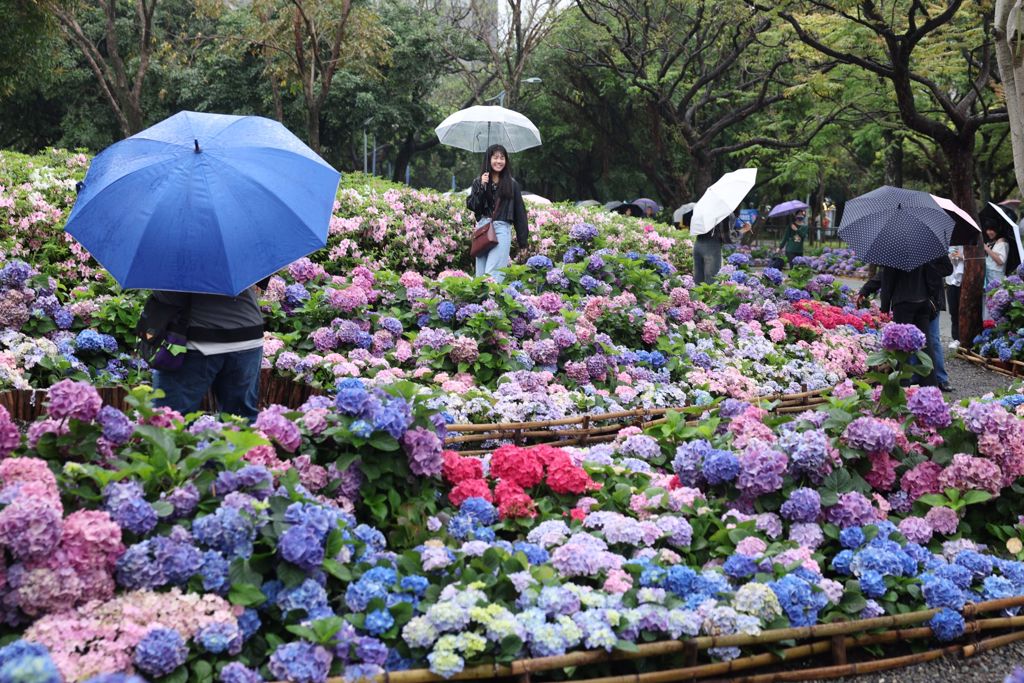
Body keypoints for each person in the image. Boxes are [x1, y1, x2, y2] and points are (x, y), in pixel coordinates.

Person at [145, 286, 266, 420]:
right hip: (248, 334)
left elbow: (167, 296)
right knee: (240, 421)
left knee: (170, 421)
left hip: (193, 339)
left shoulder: (172, 264)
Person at [466, 144, 528, 283]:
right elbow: (473, 206)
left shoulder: (512, 185)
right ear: (488, 159)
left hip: (501, 229)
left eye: (502, 158)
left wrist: (523, 242)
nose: (499, 161)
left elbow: (520, 214)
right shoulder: (479, 182)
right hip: (482, 230)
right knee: (480, 277)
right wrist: (482, 187)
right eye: (495, 157)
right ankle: (480, 304)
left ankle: (491, 304)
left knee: (492, 275)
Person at [878, 262, 938, 386]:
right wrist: (933, 296)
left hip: (903, 301)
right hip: (923, 300)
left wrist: (884, 307)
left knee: (901, 344)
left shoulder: (893, 252)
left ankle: (903, 383)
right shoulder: (924, 248)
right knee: (925, 345)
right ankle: (930, 383)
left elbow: (888, 281)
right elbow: (936, 273)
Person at [693, 217, 731, 285]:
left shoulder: (701, 213)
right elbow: (726, 237)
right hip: (711, 247)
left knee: (698, 281)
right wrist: (743, 230)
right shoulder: (720, 215)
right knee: (712, 282)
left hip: (698, 243)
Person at [946, 245, 964, 350]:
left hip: (963, 280)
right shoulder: (949, 244)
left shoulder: (968, 244)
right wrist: (950, 256)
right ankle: (956, 337)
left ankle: (963, 338)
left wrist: (962, 257)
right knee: (953, 310)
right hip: (950, 280)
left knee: (963, 310)